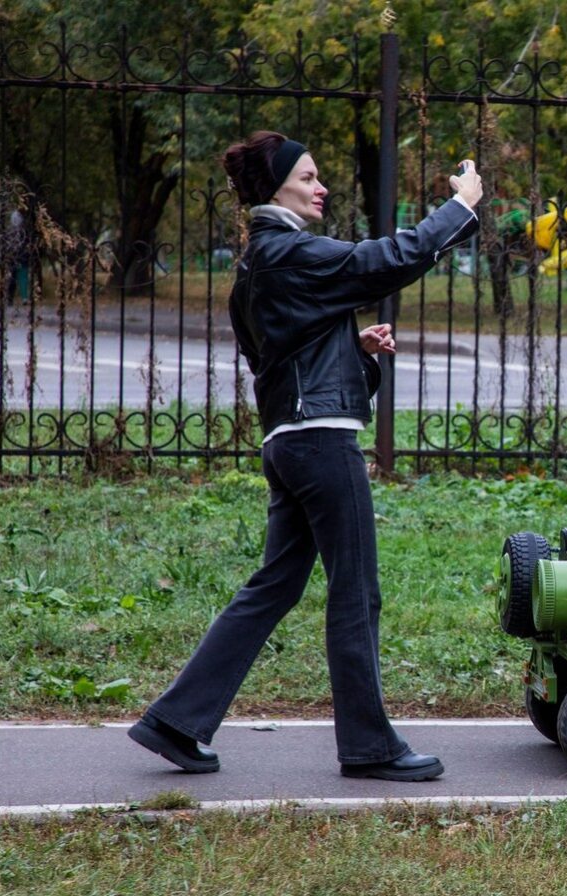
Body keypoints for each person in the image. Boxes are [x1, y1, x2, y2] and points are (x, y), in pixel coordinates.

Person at [128, 131, 480, 781]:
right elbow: (388, 259)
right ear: (277, 187)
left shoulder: (257, 263)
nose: (321, 188)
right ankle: (370, 747)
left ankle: (174, 721)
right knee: (356, 592)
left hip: (289, 441)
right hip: (320, 442)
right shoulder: (290, 249)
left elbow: (281, 357)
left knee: (275, 585)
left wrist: (355, 348)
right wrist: (460, 206)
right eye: (310, 177)